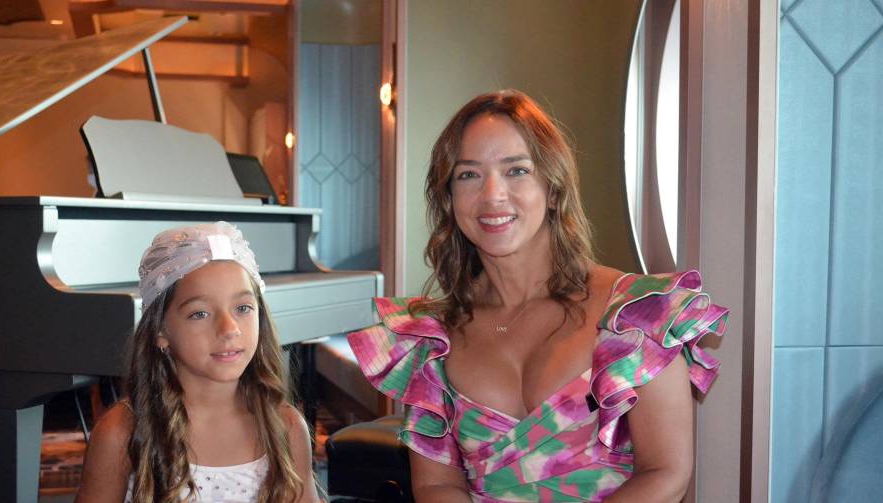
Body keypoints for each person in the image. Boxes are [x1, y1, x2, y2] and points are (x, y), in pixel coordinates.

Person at [348, 90, 728, 502]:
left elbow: (665, 473)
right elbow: (436, 485)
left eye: (517, 170)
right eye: (468, 174)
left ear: (553, 188)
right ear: (448, 197)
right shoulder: (431, 340)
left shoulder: (636, 314)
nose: (492, 195)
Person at [76, 222, 317, 503]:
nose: (229, 329)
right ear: (160, 330)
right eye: (200, 314)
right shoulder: (121, 433)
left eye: (243, 308)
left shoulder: (286, 426)